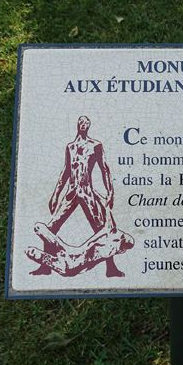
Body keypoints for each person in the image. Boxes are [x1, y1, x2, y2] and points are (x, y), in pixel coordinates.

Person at [30, 116, 125, 277]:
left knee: (102, 230)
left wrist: (110, 191)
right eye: (80, 122)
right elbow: (66, 171)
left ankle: (111, 268)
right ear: (77, 125)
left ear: (89, 126)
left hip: (87, 193)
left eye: (85, 123)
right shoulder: (71, 147)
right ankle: (45, 266)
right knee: (50, 228)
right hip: (71, 193)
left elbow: (105, 169)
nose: (82, 125)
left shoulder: (95, 146)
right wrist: (55, 195)